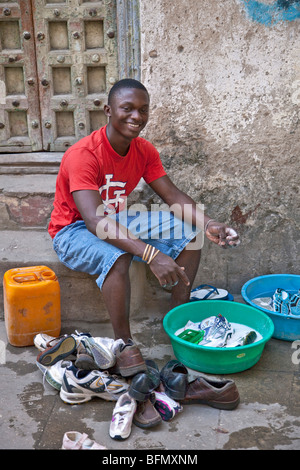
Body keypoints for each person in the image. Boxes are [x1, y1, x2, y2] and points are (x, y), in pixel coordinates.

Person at [48, 78, 240, 376]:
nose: (136, 117)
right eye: (128, 108)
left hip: (116, 219)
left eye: (143, 110)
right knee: (119, 256)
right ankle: (124, 344)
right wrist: (151, 254)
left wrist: (210, 222)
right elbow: (94, 220)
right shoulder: (83, 154)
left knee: (190, 232)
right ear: (108, 110)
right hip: (73, 230)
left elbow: (173, 196)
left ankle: (178, 319)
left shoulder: (143, 150)